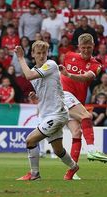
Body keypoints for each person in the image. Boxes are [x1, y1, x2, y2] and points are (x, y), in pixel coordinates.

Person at [14, 41, 78, 180]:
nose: (42, 56)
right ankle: (73, 167)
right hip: (47, 114)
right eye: (38, 53)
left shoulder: (51, 64)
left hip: (57, 114)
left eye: (44, 53)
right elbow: (44, 90)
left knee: (30, 140)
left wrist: (20, 58)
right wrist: (35, 97)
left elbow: (28, 75)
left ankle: (34, 174)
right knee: (58, 150)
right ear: (33, 54)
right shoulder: (35, 70)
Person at [59, 33, 107, 178]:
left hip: (76, 100)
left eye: (89, 47)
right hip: (64, 94)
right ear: (79, 47)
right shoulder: (69, 55)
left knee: (77, 133)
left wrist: (69, 75)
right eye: (83, 47)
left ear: (93, 47)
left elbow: (86, 78)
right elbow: (60, 75)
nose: (86, 50)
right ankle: (92, 149)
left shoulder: (97, 65)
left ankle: (71, 173)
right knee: (86, 116)